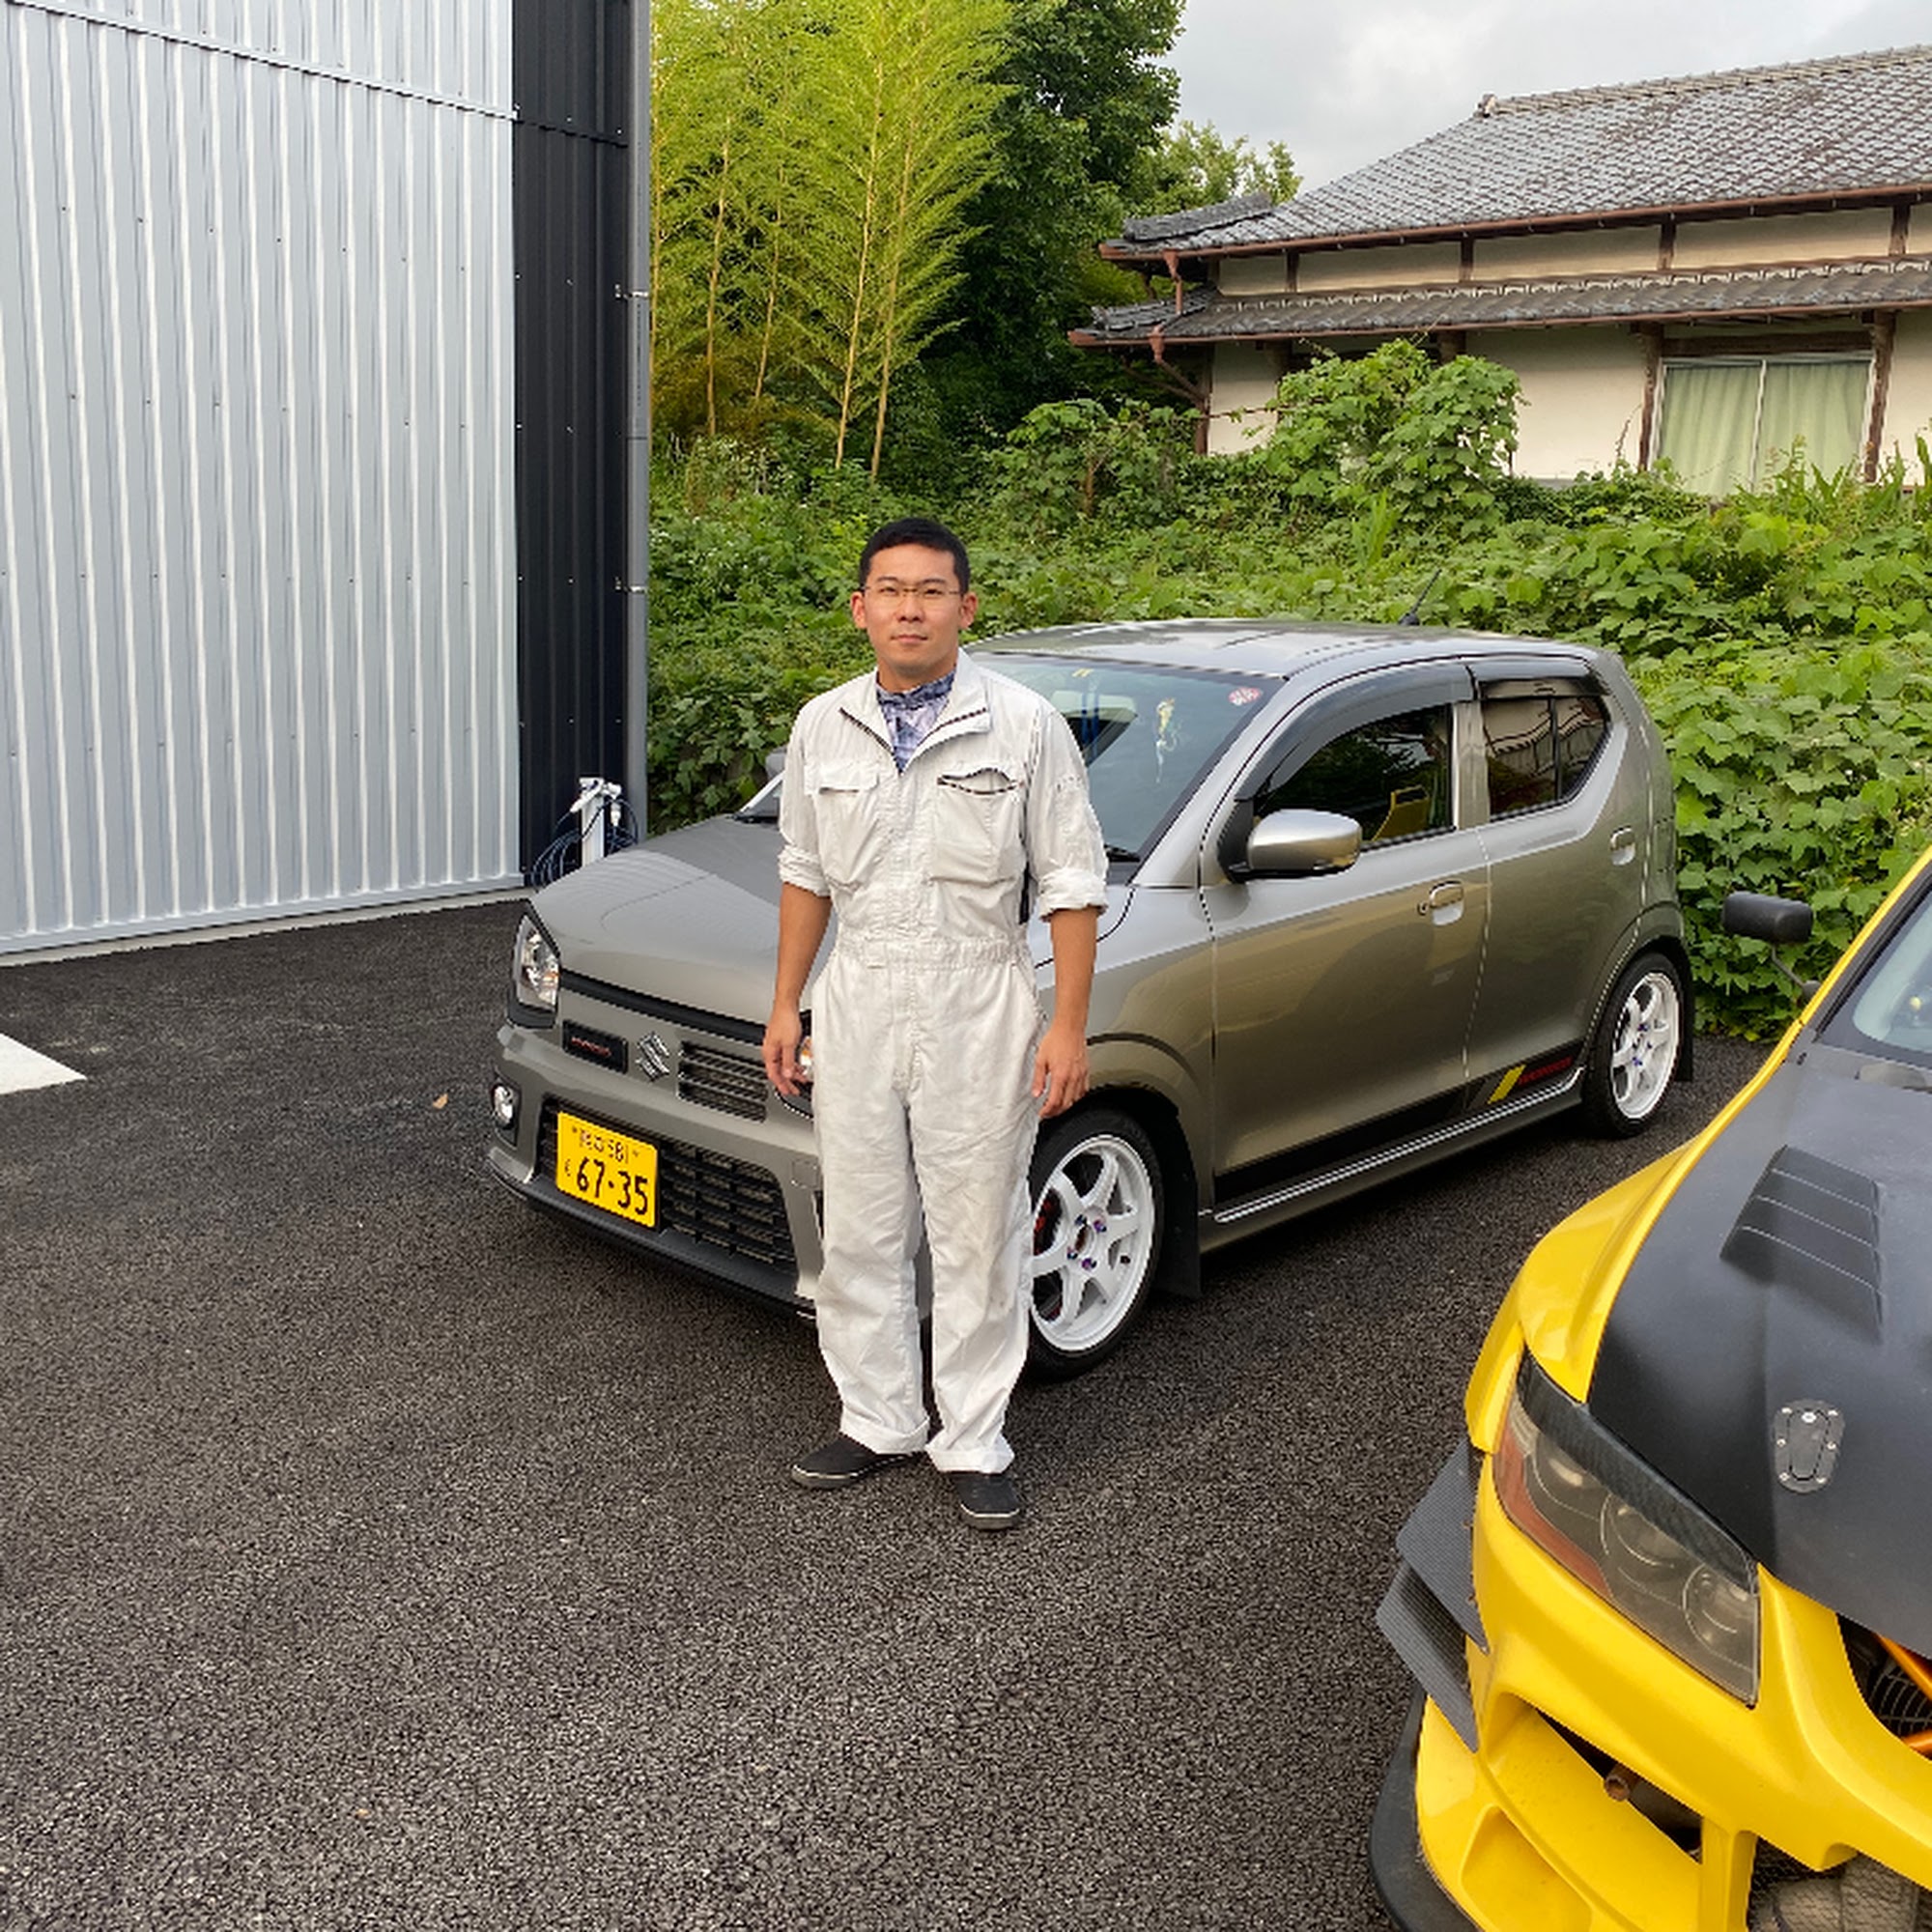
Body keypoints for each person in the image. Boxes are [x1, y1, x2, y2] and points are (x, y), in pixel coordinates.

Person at [760, 517, 1107, 1532]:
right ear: (860, 608)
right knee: (861, 1227)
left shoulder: (1024, 725)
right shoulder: (823, 724)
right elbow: (803, 872)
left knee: (977, 1230)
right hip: (859, 991)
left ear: (966, 606)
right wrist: (785, 1001)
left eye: (930, 591)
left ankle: (973, 1437)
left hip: (978, 996)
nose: (908, 609)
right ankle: (877, 1418)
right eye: (890, 590)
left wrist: (1068, 1026)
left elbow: (1071, 880)